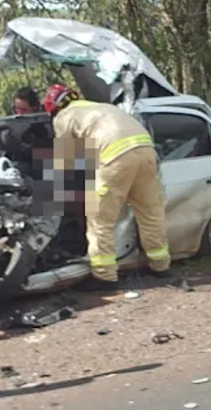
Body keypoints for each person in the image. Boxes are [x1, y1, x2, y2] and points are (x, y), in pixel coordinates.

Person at [41, 83, 171, 292]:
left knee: (99, 217)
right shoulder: (101, 107)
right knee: (150, 213)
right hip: (146, 152)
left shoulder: (64, 117)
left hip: (115, 157)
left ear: (53, 108)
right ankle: (161, 266)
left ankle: (104, 276)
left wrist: (49, 185)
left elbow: (65, 160)